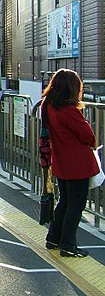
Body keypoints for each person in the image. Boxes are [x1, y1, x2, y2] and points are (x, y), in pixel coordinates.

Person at [42, 68, 98, 258]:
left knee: (65, 201)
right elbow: (88, 136)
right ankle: (68, 245)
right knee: (76, 205)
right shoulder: (69, 111)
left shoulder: (48, 106)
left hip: (61, 163)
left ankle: (53, 238)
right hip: (78, 165)